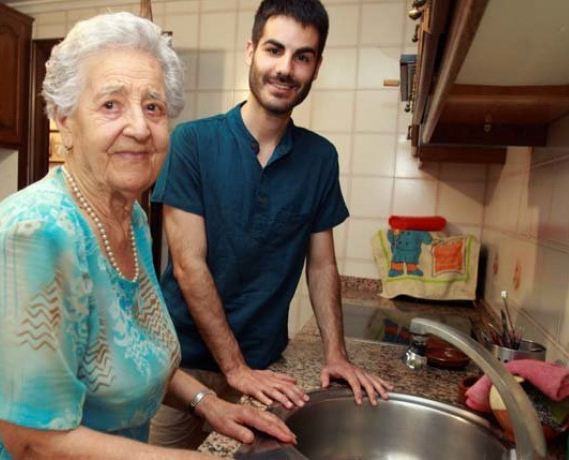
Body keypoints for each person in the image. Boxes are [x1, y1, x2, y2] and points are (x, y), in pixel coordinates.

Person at [0, 12, 295, 459]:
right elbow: (33, 442)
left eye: (153, 107)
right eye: (111, 105)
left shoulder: (130, 219)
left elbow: (137, 354)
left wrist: (208, 404)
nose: (140, 128)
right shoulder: (34, 236)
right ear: (66, 121)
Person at [149, 0, 394, 449]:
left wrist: (335, 354)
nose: (286, 68)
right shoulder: (193, 143)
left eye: (302, 56)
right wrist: (234, 367)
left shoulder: (321, 159)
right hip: (181, 369)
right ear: (251, 51)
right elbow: (188, 266)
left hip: (264, 365)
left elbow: (321, 266)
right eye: (274, 50)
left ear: (316, 68)